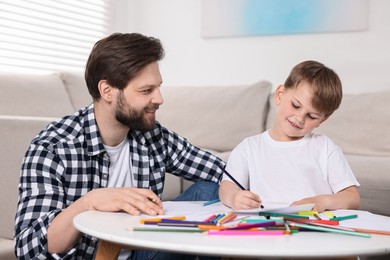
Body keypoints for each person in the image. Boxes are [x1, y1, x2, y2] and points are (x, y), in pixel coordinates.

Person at [14, 33, 225, 259]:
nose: (160, 99)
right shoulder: (54, 147)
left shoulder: (152, 136)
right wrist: (90, 202)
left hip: (142, 251)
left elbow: (222, 171)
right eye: (146, 90)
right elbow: (29, 248)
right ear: (107, 91)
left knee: (213, 190)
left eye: (158, 87)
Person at [219, 60, 360, 213]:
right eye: (296, 105)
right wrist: (234, 197)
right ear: (280, 95)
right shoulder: (249, 147)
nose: (299, 118)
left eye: (312, 116)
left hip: (312, 227)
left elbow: (352, 198)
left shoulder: (325, 148)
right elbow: (227, 187)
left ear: (322, 120)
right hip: (267, 226)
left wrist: (323, 200)